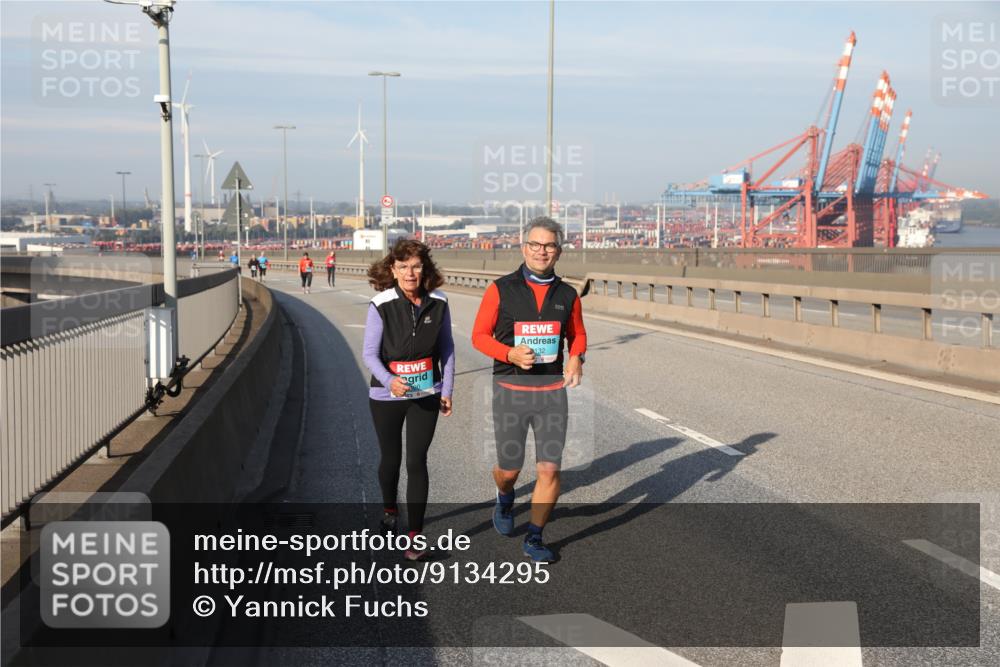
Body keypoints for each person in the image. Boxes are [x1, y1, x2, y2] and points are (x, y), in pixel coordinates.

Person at [471, 217, 587, 563]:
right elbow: (479, 336)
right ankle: (504, 497)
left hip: (552, 392)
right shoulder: (501, 289)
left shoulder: (567, 294)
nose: (542, 251)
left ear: (559, 251)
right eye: (535, 245)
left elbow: (577, 334)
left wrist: (578, 357)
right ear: (524, 248)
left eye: (549, 245)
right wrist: (508, 353)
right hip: (510, 390)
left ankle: (535, 538)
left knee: (549, 469)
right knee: (510, 470)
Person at [363, 239, 455, 561]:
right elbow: (370, 355)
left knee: (417, 461)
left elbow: (447, 350)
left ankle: (414, 534)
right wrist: (391, 380)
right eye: (402, 267)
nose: (409, 273)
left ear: (424, 268)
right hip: (386, 395)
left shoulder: (439, 302)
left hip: (426, 392)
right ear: (393, 270)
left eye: (416, 266)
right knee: (391, 459)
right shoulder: (381, 304)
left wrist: (447, 390)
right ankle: (390, 509)